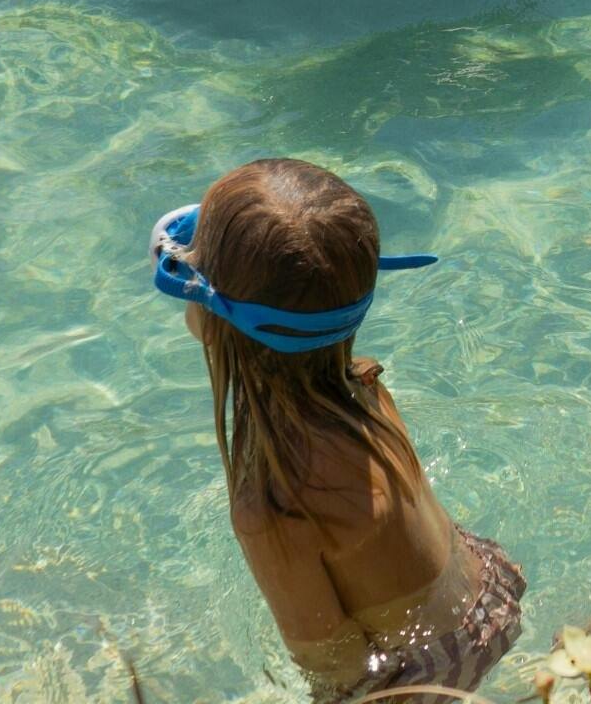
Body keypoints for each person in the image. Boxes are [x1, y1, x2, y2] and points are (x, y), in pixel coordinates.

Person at [148, 158, 524, 698]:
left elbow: (336, 668)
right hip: (493, 585)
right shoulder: (366, 386)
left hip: (427, 675)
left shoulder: (275, 509)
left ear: (212, 320)